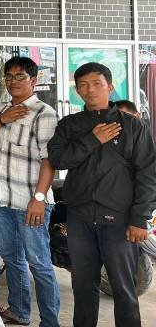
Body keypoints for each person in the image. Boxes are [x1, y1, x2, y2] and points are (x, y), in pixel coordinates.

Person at [49, 62, 156, 327]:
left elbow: (147, 174)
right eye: (83, 85)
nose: (90, 90)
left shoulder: (132, 126)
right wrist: (92, 140)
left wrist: (140, 218)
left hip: (119, 219)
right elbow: (58, 159)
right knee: (83, 287)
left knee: (124, 289)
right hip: (80, 217)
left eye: (97, 83)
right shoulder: (70, 125)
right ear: (77, 90)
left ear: (110, 86)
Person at [0, 56, 60, 327]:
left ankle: (50, 321)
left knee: (39, 263)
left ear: (33, 80)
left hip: (30, 203)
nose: (13, 81)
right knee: (12, 259)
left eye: (20, 76)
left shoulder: (44, 113)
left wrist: (39, 198)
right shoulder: (2, 108)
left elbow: (49, 161)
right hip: (2, 200)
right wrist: (1, 120)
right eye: (9, 76)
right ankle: (20, 311)